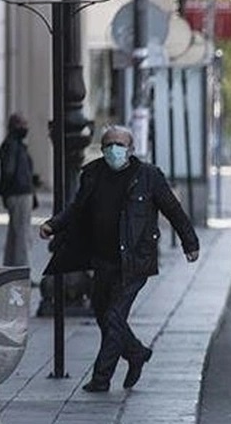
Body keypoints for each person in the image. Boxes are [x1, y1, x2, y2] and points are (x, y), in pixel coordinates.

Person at [39, 124, 200, 393]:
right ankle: (136, 353)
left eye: (120, 144)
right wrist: (53, 225)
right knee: (103, 315)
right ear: (102, 149)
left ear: (131, 149)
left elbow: (173, 210)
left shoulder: (149, 176)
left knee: (114, 316)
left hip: (136, 260)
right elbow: (77, 208)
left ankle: (101, 379)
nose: (114, 149)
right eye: (109, 144)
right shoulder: (92, 174)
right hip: (103, 259)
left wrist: (190, 242)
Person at [0, 113, 38, 268]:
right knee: (23, 234)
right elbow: (9, 171)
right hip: (19, 193)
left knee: (15, 233)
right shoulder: (13, 145)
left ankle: (10, 267)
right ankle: (22, 269)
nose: (25, 128)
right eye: (22, 124)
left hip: (18, 192)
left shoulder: (13, 145)